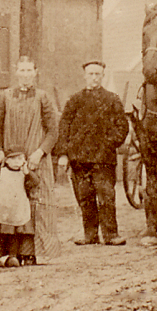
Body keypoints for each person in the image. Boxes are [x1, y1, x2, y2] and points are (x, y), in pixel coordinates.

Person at [0, 56, 61, 267]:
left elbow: (53, 131)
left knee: (35, 202)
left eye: (29, 71)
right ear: (16, 72)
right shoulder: (4, 96)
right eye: (22, 71)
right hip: (9, 158)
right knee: (5, 201)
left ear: (36, 72)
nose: (25, 75)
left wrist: (40, 153)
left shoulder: (43, 98)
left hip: (35, 158)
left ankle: (29, 252)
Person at [55, 60, 128, 247]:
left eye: (97, 74)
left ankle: (111, 234)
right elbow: (64, 127)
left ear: (102, 76)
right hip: (80, 159)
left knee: (106, 196)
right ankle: (90, 234)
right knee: (85, 197)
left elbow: (122, 127)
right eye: (90, 74)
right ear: (84, 76)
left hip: (103, 159)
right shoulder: (74, 100)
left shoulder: (112, 99)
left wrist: (108, 144)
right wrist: (65, 153)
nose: (94, 78)